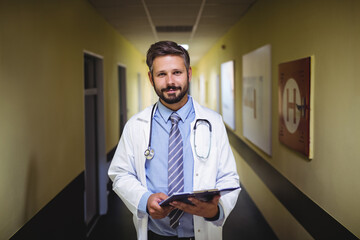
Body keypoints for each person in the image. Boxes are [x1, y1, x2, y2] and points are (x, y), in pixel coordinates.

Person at [108, 40, 240, 240]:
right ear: (151, 78)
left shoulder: (213, 122)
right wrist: (145, 200)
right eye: (162, 74)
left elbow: (229, 178)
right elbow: (119, 173)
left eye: (177, 72)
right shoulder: (136, 125)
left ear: (189, 73)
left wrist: (214, 211)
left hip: (200, 233)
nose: (170, 82)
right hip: (156, 234)